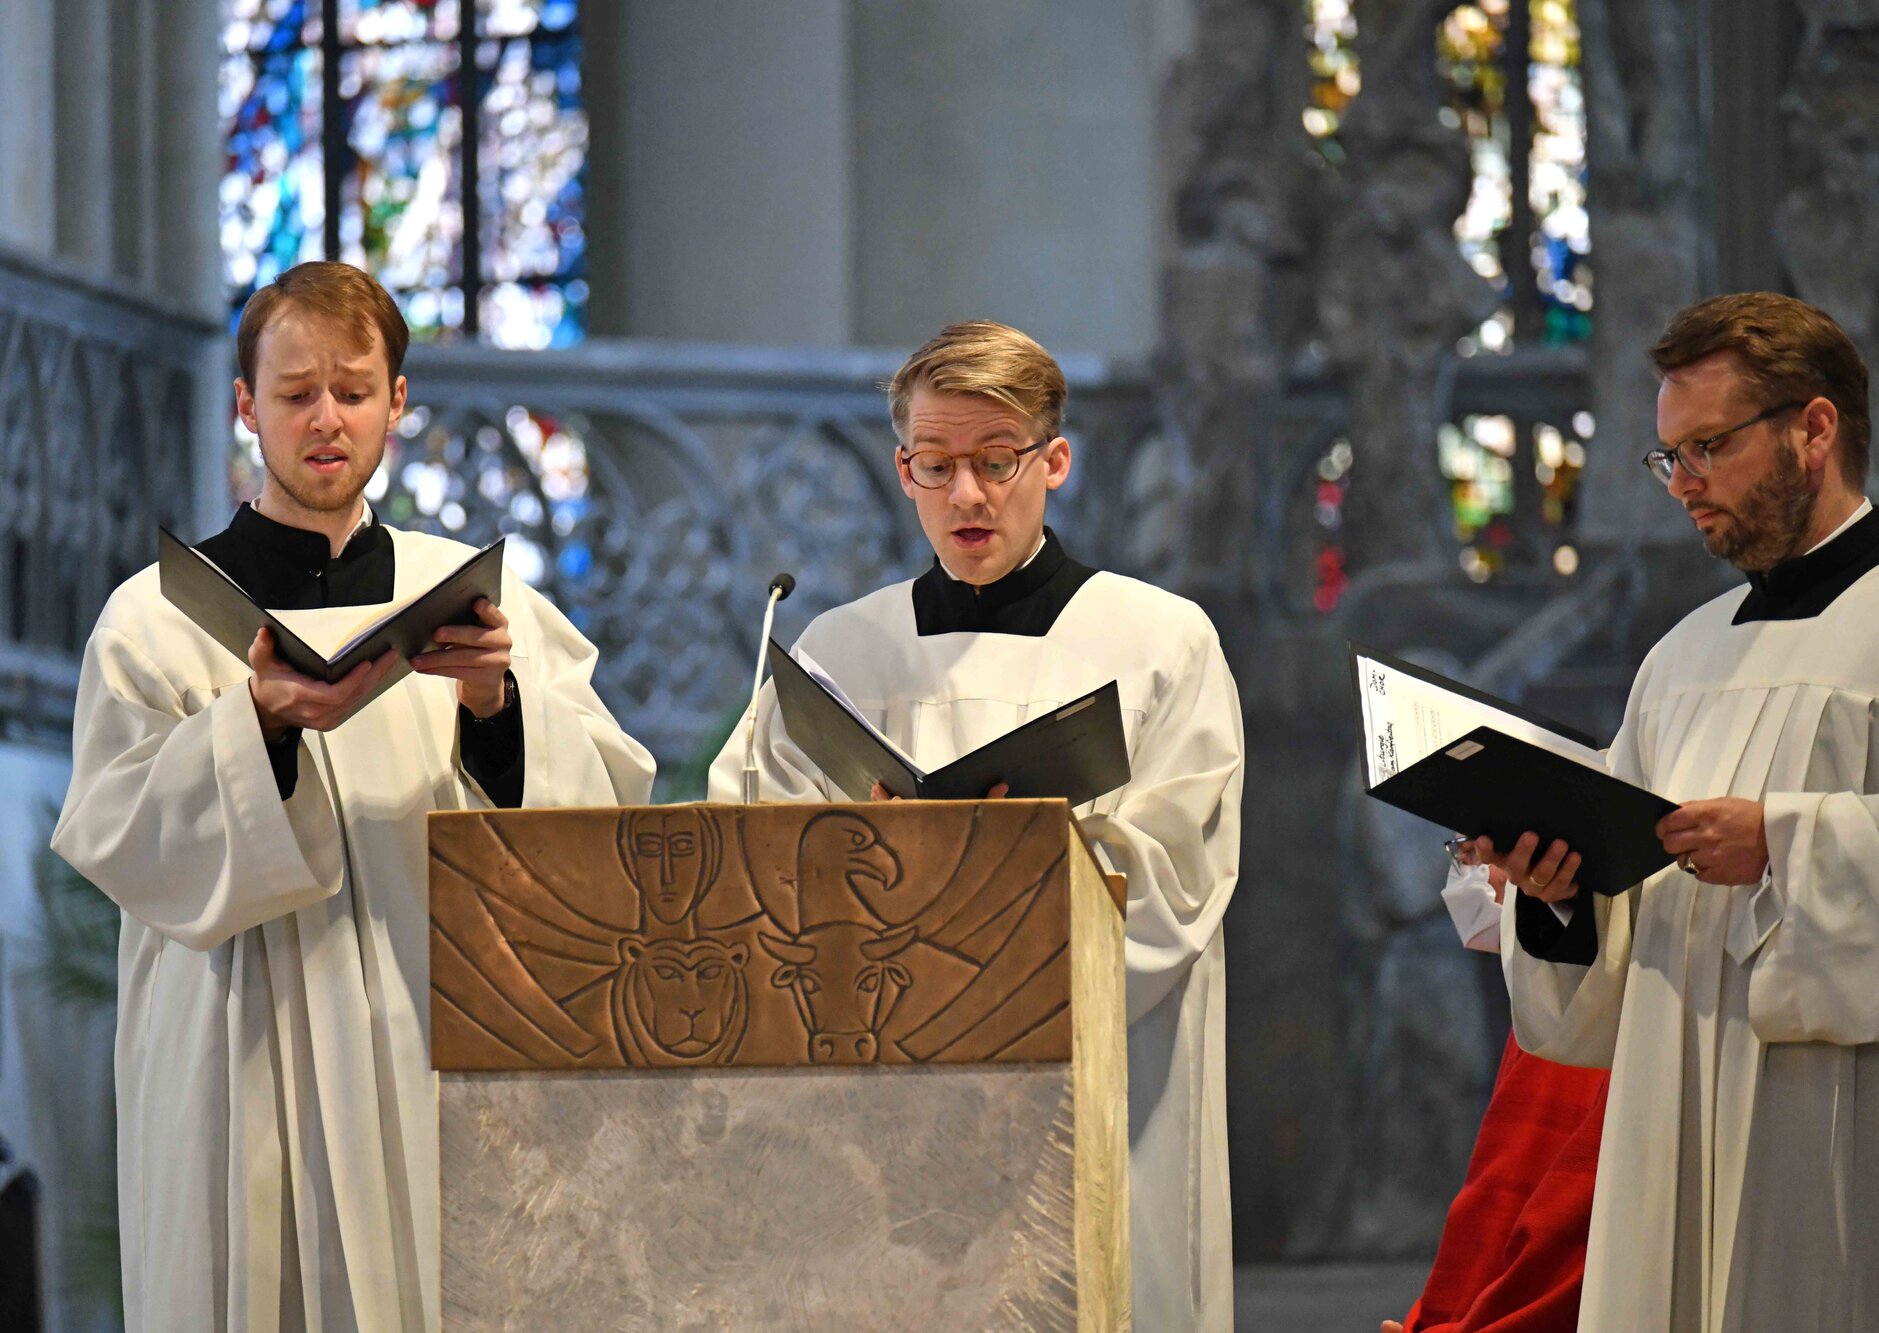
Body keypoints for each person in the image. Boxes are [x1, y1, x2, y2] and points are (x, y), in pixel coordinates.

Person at [52, 261, 656, 1331]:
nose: (325, 420)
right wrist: (257, 731)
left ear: (397, 404)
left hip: (428, 1051)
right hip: (230, 1056)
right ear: (245, 407)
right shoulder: (154, 621)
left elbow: (605, 815)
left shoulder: (480, 607)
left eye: (353, 390)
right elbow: (117, 836)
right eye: (294, 393)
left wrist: (493, 705)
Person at [1466, 292, 1879, 1331]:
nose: (1683, 485)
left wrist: (1785, 845)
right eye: (1666, 457)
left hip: (1853, 1137)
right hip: (1673, 1118)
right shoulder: (1680, 657)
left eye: (1706, 446)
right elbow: (1614, 954)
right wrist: (1559, 894)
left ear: (1813, 427)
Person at [709, 319, 1243, 1330]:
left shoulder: (1159, 642)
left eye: (995, 462)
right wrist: (852, 872)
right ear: (901, 468)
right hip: (881, 1112)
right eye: (935, 464)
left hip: (1086, 1097)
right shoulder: (836, 654)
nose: (965, 495)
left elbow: (1175, 874)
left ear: (1053, 461)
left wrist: (1010, 871)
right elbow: (755, 861)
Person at [1385, 860, 1605, 1333]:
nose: (1472, 874)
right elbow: (1490, 1217)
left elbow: (1562, 1245)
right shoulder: (1544, 1008)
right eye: (1463, 854)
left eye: (1480, 851)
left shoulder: (1586, 1028)